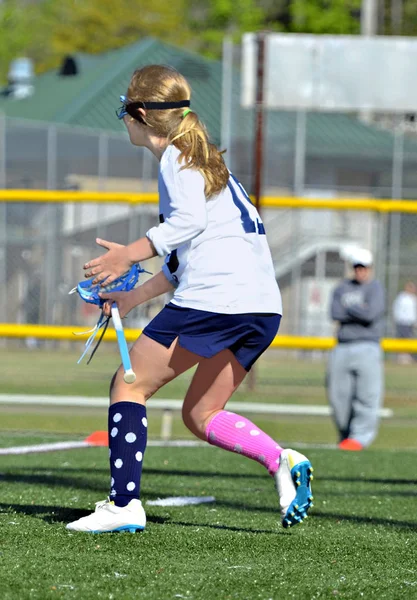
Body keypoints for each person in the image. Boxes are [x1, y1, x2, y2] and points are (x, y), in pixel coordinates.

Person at [66, 65, 313, 533]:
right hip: (260, 307)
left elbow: (187, 225)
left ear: (139, 114)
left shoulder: (176, 158)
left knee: (129, 385)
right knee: (201, 414)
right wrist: (133, 298)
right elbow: (185, 261)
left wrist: (128, 256)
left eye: (125, 113)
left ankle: (123, 506)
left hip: (217, 300)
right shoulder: (205, 163)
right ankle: (280, 460)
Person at [327, 249, 385, 451]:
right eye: (357, 267)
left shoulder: (375, 288)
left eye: (364, 267)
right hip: (342, 347)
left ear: (370, 268)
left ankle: (360, 439)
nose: (361, 271)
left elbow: (371, 314)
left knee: (367, 396)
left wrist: (349, 308)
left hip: (368, 347)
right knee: (338, 398)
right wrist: (359, 308)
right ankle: (346, 436)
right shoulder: (341, 287)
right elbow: (334, 312)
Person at [392, 281, 417, 364]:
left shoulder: (413, 298)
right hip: (402, 322)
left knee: (409, 339)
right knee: (402, 339)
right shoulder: (401, 297)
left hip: (410, 322)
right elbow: (396, 309)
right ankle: (402, 357)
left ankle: (408, 356)